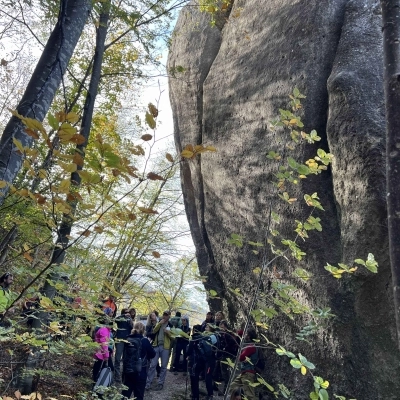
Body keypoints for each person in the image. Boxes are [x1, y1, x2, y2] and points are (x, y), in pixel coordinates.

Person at [122, 322, 155, 400]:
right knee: (139, 396)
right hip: (140, 372)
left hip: (127, 371)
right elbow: (153, 354)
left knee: (125, 395)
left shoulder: (127, 339)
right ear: (143, 330)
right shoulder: (144, 340)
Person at [187, 323, 218, 400]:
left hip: (208, 360)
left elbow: (189, 351)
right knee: (202, 376)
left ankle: (207, 395)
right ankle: (198, 395)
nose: (205, 328)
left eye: (207, 327)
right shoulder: (204, 336)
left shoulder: (212, 337)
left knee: (206, 377)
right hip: (203, 360)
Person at [145, 310, 173, 391]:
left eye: (166, 315)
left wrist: (168, 333)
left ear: (169, 316)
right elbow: (153, 331)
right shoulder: (159, 323)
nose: (165, 316)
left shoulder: (171, 325)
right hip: (156, 346)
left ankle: (160, 383)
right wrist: (160, 323)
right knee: (152, 365)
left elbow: (173, 337)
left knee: (164, 366)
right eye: (164, 314)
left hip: (165, 347)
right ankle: (148, 383)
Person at [229, 328, 259, 400]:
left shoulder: (250, 347)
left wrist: (242, 355)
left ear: (249, 336)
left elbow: (241, 357)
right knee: (232, 387)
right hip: (244, 372)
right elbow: (239, 333)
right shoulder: (251, 345)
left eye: (246, 334)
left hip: (248, 373)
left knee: (250, 395)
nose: (244, 335)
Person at [218, 320, 239, 394]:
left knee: (226, 373)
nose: (221, 328)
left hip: (228, 355)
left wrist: (225, 348)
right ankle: (227, 389)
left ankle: (227, 390)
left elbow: (231, 343)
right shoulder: (223, 334)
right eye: (220, 327)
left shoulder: (227, 335)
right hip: (226, 355)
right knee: (225, 373)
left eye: (222, 327)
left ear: (226, 327)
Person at [114, 308, 133, 383]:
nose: (128, 314)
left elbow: (132, 327)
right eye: (126, 312)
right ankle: (117, 376)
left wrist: (130, 320)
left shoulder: (129, 320)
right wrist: (123, 315)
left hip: (127, 340)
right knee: (118, 358)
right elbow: (115, 319)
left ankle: (124, 375)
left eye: (128, 312)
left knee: (126, 359)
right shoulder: (120, 318)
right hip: (119, 340)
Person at [92, 319, 114, 384]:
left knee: (99, 368)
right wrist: (106, 356)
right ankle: (96, 383)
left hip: (101, 353)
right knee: (98, 369)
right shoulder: (104, 330)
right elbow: (104, 344)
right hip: (100, 353)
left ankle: (98, 382)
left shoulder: (107, 330)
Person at [146, 311, 161, 378]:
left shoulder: (158, 324)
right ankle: (150, 372)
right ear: (151, 318)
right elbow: (147, 334)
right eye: (152, 316)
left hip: (157, 342)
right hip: (151, 342)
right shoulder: (149, 325)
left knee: (155, 358)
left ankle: (158, 371)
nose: (154, 317)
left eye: (155, 315)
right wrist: (153, 332)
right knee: (151, 358)